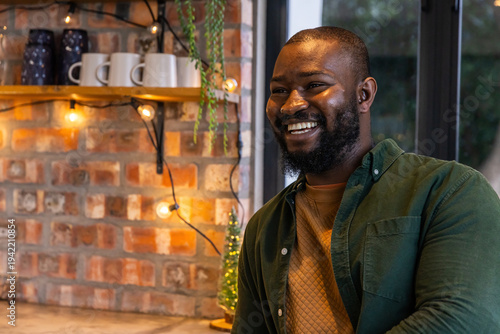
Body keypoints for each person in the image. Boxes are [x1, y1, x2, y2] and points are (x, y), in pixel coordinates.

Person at [232, 26, 500, 334]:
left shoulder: (451, 191)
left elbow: (462, 320)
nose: (291, 105)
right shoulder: (264, 228)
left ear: (364, 94)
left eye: (315, 85)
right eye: (279, 90)